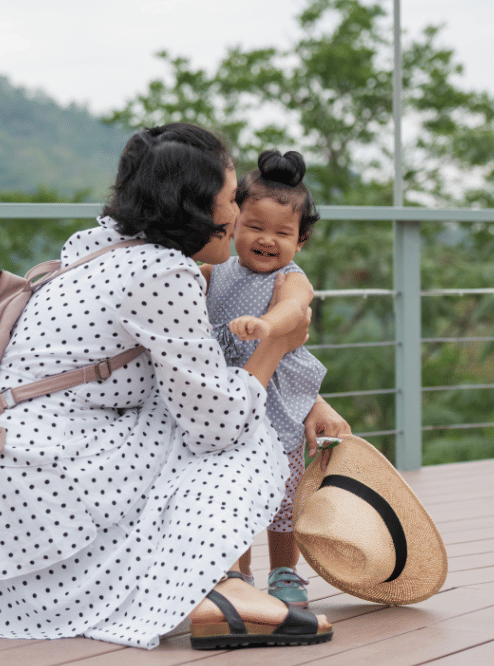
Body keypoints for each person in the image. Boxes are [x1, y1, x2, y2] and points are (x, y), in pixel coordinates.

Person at [0, 123, 335, 650]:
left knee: (206, 410)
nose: (239, 215)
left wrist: (306, 393)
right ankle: (222, 593)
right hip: (49, 483)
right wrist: (275, 347)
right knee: (246, 435)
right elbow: (218, 424)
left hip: (8, 485)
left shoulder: (97, 247)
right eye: (232, 199)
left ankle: (215, 582)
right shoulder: (162, 275)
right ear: (195, 207)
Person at [200, 149, 351, 608]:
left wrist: (268, 326)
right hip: (227, 402)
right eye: (255, 227)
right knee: (233, 495)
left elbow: (295, 306)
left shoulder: (290, 278)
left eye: (282, 232)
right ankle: (236, 571)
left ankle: (285, 571)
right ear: (234, 225)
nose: (267, 240)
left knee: (284, 499)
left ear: (300, 241)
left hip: (278, 407)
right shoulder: (215, 272)